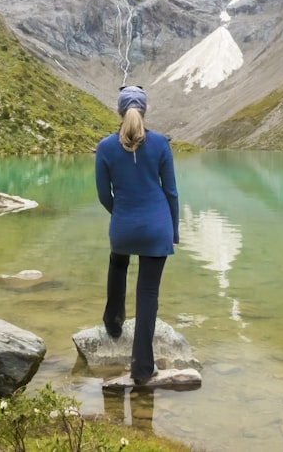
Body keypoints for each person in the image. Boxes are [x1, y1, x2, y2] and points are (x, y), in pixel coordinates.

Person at [95, 85, 179, 385]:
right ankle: (143, 368)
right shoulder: (159, 144)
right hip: (158, 227)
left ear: (119, 111)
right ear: (144, 111)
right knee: (148, 294)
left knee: (118, 264)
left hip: (123, 227)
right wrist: (175, 231)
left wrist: (122, 214)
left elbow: (104, 195)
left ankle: (113, 322)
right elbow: (170, 192)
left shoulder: (105, 147)